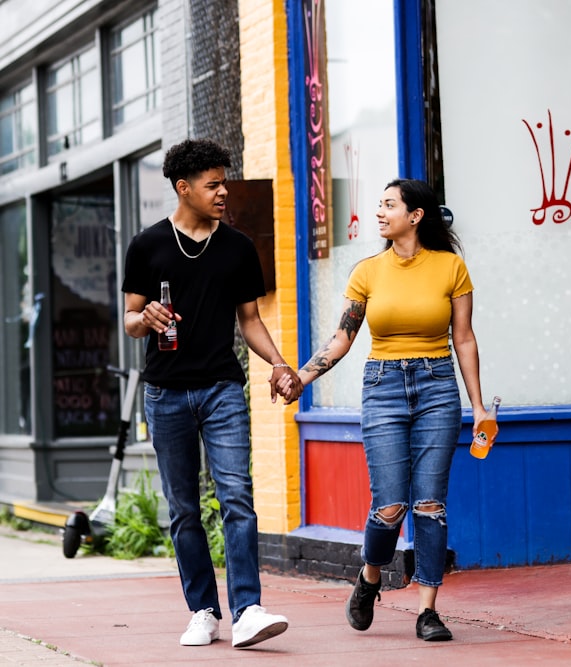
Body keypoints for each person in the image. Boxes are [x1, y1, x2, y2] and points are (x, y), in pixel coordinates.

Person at [281, 178, 487, 642]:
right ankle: (370, 576)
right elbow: (343, 337)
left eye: (389, 205)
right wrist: (301, 377)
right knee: (390, 506)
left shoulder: (451, 268)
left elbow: (465, 339)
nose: (379, 212)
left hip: (437, 386)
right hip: (383, 386)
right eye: (378, 204)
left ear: (415, 216)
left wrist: (478, 407)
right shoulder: (367, 271)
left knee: (430, 505)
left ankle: (428, 610)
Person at [121, 138, 303, 649]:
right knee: (183, 509)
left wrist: (280, 363)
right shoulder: (148, 245)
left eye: (224, 181)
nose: (223, 191)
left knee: (237, 498)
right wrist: (145, 318)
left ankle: (247, 610)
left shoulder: (239, 247)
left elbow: (251, 320)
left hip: (222, 388)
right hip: (166, 393)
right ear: (184, 188)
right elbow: (130, 320)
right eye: (213, 184)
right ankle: (203, 609)